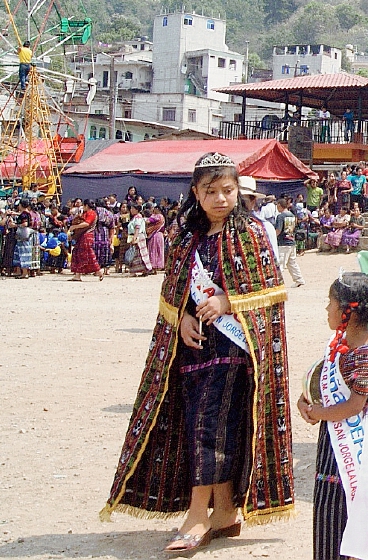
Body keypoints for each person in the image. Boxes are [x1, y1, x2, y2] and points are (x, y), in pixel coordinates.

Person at [102, 152, 292, 551]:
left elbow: (271, 291)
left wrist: (227, 303)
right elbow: (173, 292)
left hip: (235, 351)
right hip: (191, 352)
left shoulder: (252, 233)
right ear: (196, 193)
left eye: (228, 190)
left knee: (209, 427)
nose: (222, 198)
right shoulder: (185, 237)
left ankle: (195, 516)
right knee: (200, 428)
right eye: (211, 192)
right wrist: (182, 317)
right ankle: (223, 511)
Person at [298, 273, 368, 560]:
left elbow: (355, 405)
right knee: (329, 506)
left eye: (331, 303)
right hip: (331, 440)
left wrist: (319, 413)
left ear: (347, 312)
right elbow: (320, 383)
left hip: (355, 444)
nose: (327, 309)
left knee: (352, 503)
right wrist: (306, 401)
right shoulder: (339, 343)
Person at [273, 195, 305, 286]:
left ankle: (278, 283)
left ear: (279, 205)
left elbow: (278, 230)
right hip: (291, 240)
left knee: (280, 264)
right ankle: (299, 279)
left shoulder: (280, 216)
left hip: (283, 243)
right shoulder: (291, 215)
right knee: (292, 263)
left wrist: (273, 238)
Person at [126, 204, 152, 276]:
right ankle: (143, 270)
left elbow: (137, 227)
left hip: (138, 236)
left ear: (137, 210)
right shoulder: (135, 217)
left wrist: (135, 237)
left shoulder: (138, 217)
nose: (131, 210)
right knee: (139, 254)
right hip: (137, 236)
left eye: (132, 209)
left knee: (137, 253)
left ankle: (137, 270)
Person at [146, 204, 167, 272]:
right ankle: (156, 267)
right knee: (158, 251)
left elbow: (148, 221)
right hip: (159, 235)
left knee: (153, 250)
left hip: (155, 234)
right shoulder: (162, 217)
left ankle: (153, 266)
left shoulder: (158, 216)